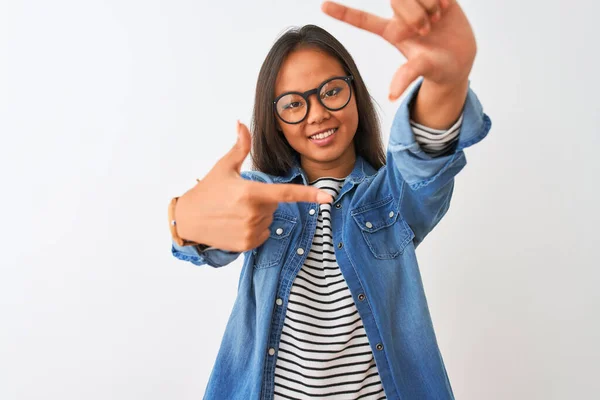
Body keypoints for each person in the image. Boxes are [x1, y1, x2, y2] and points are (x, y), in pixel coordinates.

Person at [167, 1, 491, 399]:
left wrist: (447, 84)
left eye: (331, 91)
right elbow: (207, 228)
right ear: (276, 120)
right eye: (293, 104)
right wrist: (185, 219)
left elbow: (422, 160)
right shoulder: (261, 196)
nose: (317, 113)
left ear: (354, 91)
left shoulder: (391, 197)